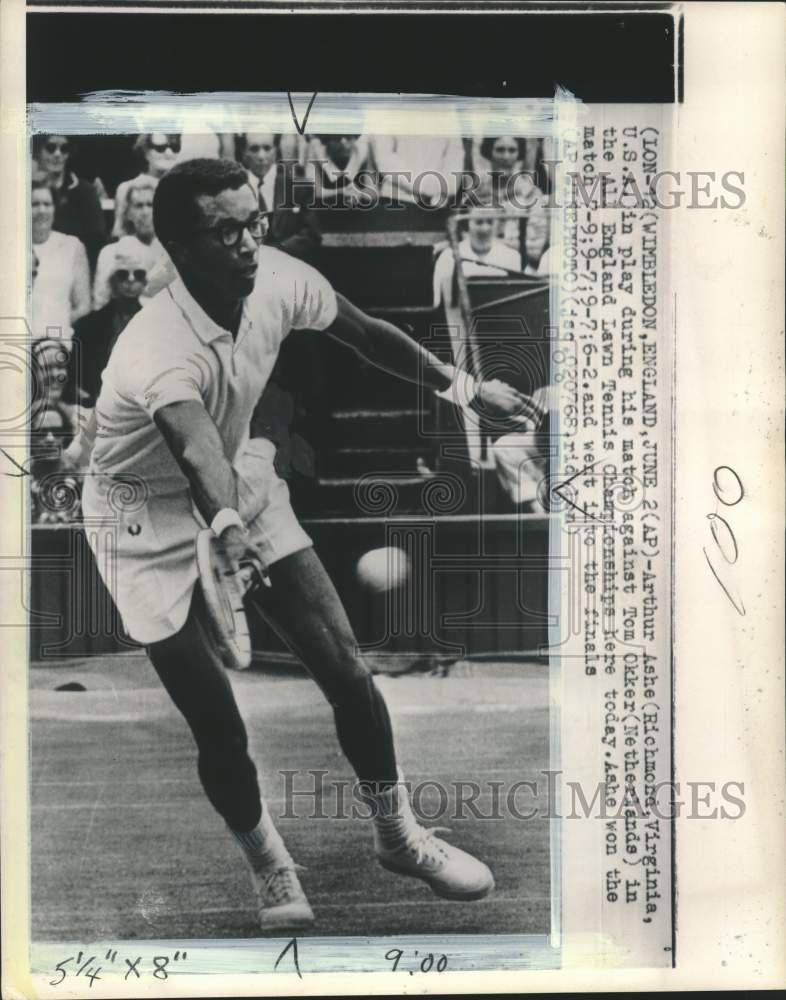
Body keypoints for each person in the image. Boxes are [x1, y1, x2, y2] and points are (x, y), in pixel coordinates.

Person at [65, 159, 530, 932]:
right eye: (226, 231)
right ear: (180, 246)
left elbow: (367, 334)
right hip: (138, 517)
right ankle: (270, 865)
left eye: (255, 222)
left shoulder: (278, 275)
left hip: (238, 480)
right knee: (218, 724)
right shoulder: (155, 346)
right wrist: (225, 530)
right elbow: (191, 447)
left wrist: (465, 389)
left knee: (349, 671)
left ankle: (400, 837)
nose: (250, 242)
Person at [71, 238, 148, 406]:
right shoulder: (88, 326)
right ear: (112, 280)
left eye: (138, 274)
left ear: (144, 282)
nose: (131, 280)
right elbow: (75, 377)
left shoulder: (154, 325)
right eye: (123, 275)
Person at [237, 132, 322, 265]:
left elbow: (311, 235)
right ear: (244, 153)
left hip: (289, 266)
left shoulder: (298, 188)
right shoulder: (236, 190)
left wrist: (277, 251)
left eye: (267, 148)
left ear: (276, 151)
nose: (261, 156)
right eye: (254, 149)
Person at [93, 176, 172, 308]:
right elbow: (100, 301)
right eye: (139, 206)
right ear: (128, 212)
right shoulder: (109, 253)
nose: (145, 212)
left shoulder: (172, 253)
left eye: (150, 205)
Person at [471, 136, 549, 269]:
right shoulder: (477, 194)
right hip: (478, 265)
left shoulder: (531, 194)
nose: (506, 156)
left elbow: (536, 250)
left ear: (519, 154)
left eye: (512, 150)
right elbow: (464, 240)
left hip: (519, 269)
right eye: (500, 150)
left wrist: (494, 243)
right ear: (489, 152)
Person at [33, 134, 107, 271]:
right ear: (37, 150)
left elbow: (96, 242)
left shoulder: (85, 192)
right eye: (50, 148)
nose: (57, 154)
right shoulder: (26, 190)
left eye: (64, 149)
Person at [31, 179, 91, 344]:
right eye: (34, 204)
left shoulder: (72, 246)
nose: (41, 210)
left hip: (60, 346)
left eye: (47, 204)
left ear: (55, 208)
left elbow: (83, 306)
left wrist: (55, 329)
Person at [112, 133, 182, 239]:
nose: (169, 153)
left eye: (174, 147)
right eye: (160, 148)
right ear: (146, 152)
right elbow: (119, 231)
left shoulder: (184, 188)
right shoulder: (127, 188)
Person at [304, 134, 379, 205]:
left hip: (357, 211)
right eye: (337, 139)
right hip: (324, 210)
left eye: (348, 138)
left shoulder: (362, 151)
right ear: (326, 140)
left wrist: (359, 194)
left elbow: (373, 193)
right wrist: (341, 192)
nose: (343, 142)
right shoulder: (315, 150)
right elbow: (314, 192)